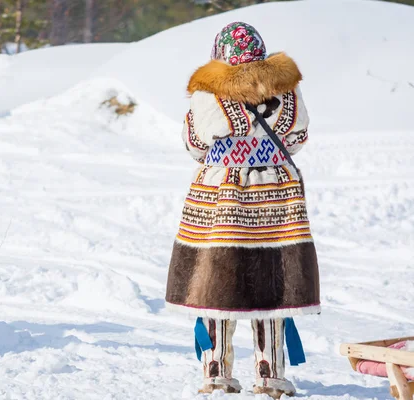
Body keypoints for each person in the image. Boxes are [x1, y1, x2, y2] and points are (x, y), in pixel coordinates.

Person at [165, 22, 320, 398]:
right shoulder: (287, 89)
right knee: (273, 278)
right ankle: (270, 376)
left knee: (216, 279)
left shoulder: (206, 92)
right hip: (275, 192)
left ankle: (216, 373)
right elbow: (298, 138)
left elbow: (194, 144)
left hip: (221, 192)